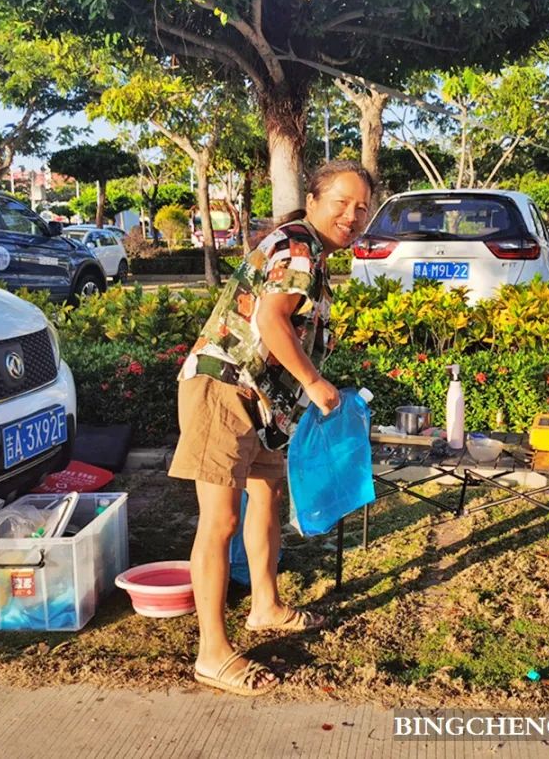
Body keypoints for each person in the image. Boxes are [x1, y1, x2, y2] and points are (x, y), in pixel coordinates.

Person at [168, 160, 374, 696]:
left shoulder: (307, 249)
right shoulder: (299, 245)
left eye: (361, 207)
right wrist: (316, 385)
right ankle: (212, 652)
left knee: (267, 498)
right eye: (341, 203)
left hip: (261, 402)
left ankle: (265, 606)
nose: (352, 216)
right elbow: (270, 320)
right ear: (312, 200)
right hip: (224, 390)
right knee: (220, 521)